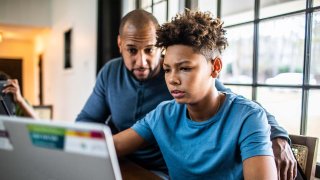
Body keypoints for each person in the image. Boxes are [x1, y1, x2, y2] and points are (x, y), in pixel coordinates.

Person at [76, 9, 296, 179]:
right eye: (167, 69)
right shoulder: (162, 114)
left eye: (185, 68)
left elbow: (246, 109)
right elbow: (108, 144)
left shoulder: (246, 116)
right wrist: (53, 141)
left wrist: (277, 133)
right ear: (120, 44)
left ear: (215, 67)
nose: (172, 79)